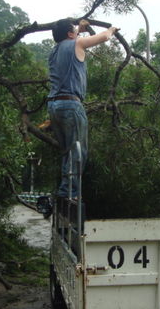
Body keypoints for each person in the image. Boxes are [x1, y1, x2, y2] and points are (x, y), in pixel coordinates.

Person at [47, 18, 118, 199]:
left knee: (67, 151)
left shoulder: (54, 52)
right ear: (71, 34)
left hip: (54, 106)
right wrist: (111, 29)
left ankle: (65, 191)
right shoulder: (77, 43)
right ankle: (69, 193)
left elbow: (72, 39)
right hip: (71, 105)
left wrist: (80, 28)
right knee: (78, 151)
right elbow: (103, 38)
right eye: (75, 30)